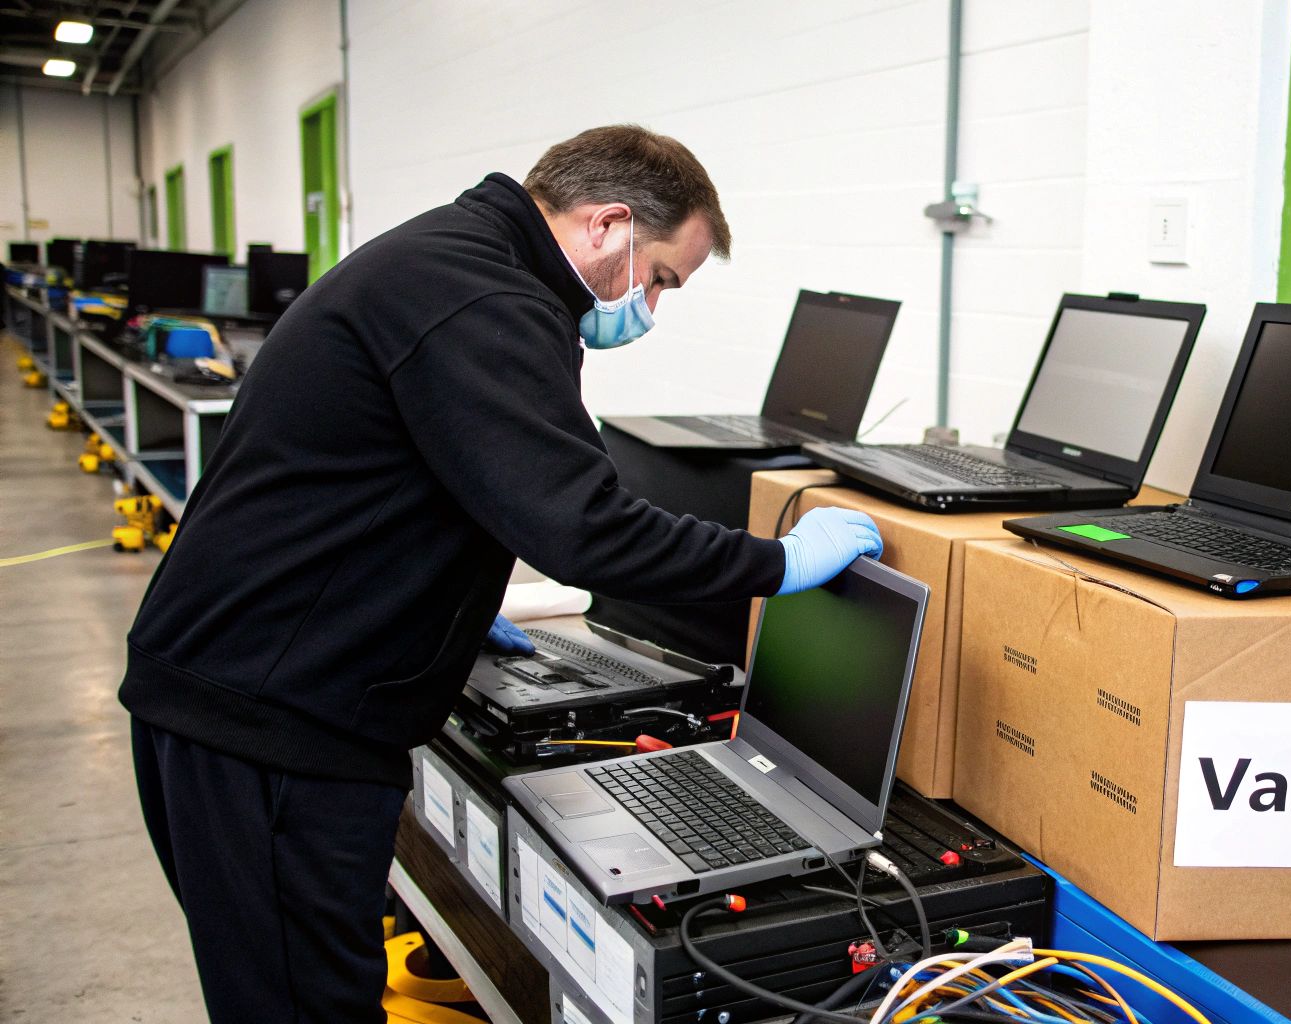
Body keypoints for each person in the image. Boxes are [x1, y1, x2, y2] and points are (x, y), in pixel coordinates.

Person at [119, 125, 882, 1022]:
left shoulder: (456, 260)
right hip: (270, 728)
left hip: (243, 692)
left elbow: (402, 473)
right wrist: (779, 563)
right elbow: (585, 529)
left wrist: (446, 604)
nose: (650, 305)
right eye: (662, 278)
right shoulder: (484, 294)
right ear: (609, 225)